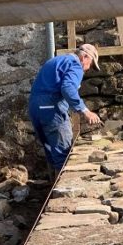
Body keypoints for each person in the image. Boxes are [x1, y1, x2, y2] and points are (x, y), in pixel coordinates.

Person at [28, 43, 103, 173]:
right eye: (90, 65)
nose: (87, 70)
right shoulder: (75, 65)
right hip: (51, 108)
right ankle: (63, 192)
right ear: (84, 57)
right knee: (63, 154)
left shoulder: (57, 60)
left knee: (51, 149)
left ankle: (52, 188)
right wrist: (85, 110)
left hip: (35, 107)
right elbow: (68, 88)